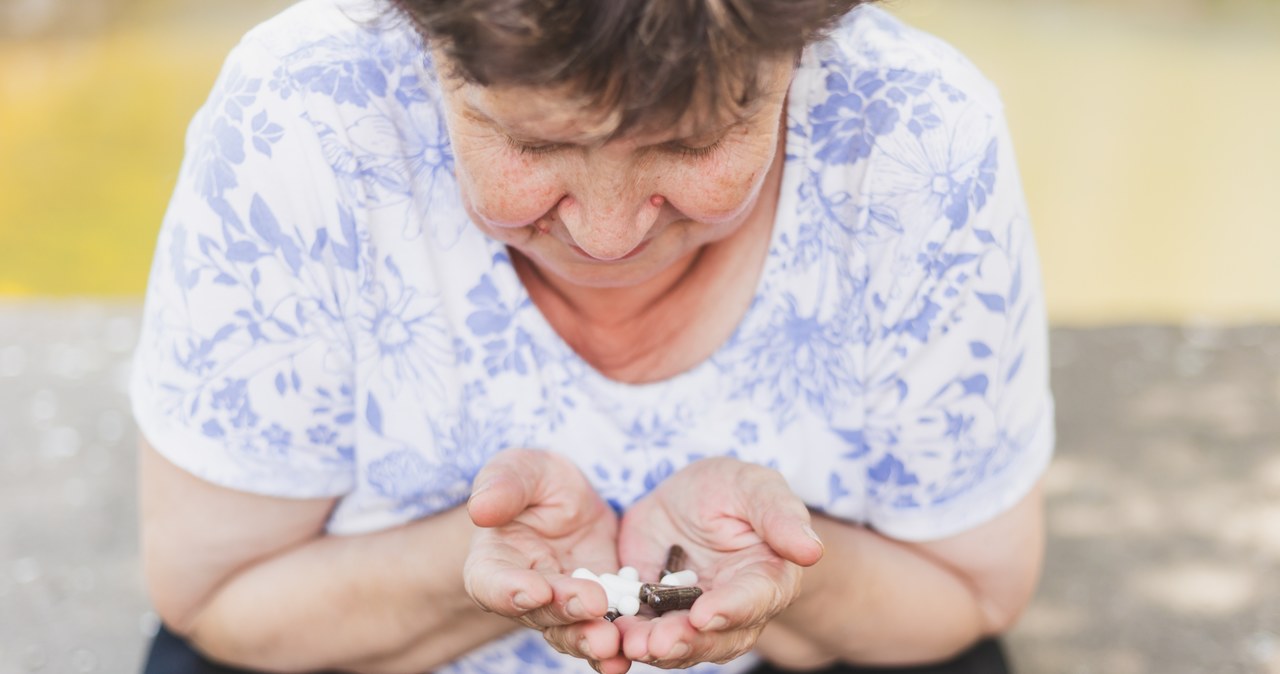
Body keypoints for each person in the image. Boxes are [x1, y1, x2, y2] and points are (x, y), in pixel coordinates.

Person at [130, 0, 1054, 672]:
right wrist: (470, 563)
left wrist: (786, 570)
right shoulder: (297, 119)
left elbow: (969, 598)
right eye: (531, 146)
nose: (608, 236)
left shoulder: (920, 138)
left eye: (691, 147)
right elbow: (212, 605)